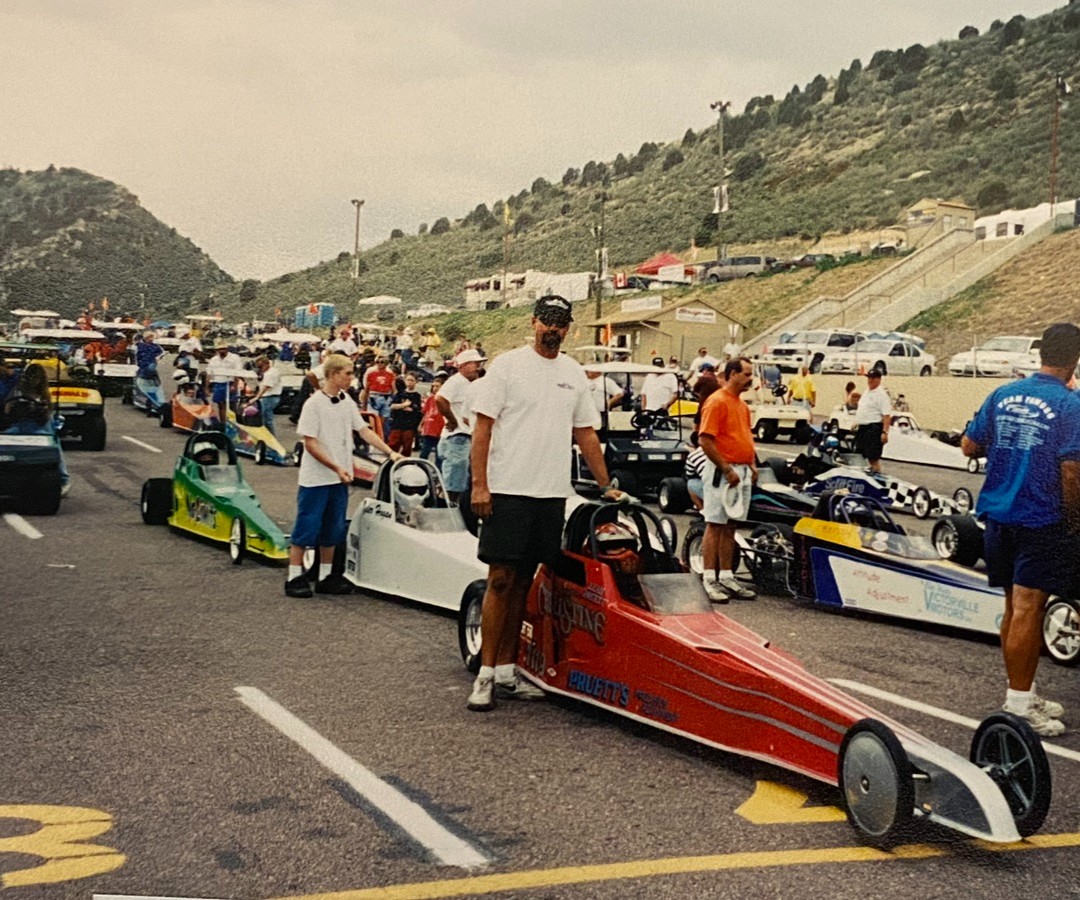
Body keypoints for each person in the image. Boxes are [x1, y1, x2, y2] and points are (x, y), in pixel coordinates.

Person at [466, 295, 623, 712]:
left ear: (568, 328)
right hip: (508, 490)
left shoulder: (573, 373)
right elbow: (482, 429)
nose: (552, 329)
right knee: (500, 580)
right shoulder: (507, 366)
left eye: (561, 323)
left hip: (551, 493)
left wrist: (607, 485)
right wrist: (480, 486)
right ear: (533, 322)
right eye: (546, 321)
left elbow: (586, 433)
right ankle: (484, 675)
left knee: (524, 581)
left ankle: (507, 670)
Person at [961, 323, 1080, 738]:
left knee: (1015, 606)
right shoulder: (1071, 404)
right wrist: (1073, 519)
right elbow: (1071, 469)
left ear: (1040, 353)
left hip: (998, 514)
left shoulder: (1003, 394)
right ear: (1074, 359)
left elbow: (969, 445)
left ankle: (1022, 693)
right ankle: (1018, 703)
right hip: (1039, 516)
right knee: (1029, 607)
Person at [286, 354, 403, 599]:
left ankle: (325, 576)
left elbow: (363, 430)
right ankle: (294, 576)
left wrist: (390, 452)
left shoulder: (346, 401)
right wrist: (336, 467)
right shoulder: (314, 404)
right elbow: (311, 443)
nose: (351, 377)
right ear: (333, 374)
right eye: (347, 373)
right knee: (307, 527)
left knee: (333, 528)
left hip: (339, 478)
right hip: (317, 478)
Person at [697, 357, 757, 601]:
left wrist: (751, 464)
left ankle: (727, 576)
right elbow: (705, 439)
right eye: (746, 374)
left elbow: (744, 436)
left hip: (740, 471)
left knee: (731, 525)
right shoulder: (717, 401)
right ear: (732, 374)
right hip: (723, 472)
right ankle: (709, 578)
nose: (750, 379)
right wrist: (726, 469)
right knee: (715, 523)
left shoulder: (741, 406)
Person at [3, 363, 71, 495]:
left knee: (54, 444)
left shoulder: (44, 394)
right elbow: (7, 409)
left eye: (35, 377)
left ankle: (63, 479)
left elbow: (47, 413)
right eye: (29, 377)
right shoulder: (16, 391)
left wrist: (38, 411)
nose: (32, 380)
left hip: (39, 428)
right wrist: (17, 411)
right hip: (18, 426)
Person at [436, 348, 485, 505]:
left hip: (464, 436)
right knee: (453, 482)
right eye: (475, 364)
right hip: (457, 437)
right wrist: (452, 421)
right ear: (463, 365)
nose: (478, 367)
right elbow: (440, 399)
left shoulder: (468, 383)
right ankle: (446, 512)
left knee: (460, 479)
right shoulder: (457, 381)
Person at [854, 367, 891, 474]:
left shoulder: (881, 395)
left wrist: (885, 432)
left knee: (873, 457)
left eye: (873, 378)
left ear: (879, 379)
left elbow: (886, 415)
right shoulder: (867, 392)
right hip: (863, 428)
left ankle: (878, 478)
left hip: (873, 428)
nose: (870, 380)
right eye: (869, 378)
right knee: (859, 455)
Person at [204, 341, 242, 426]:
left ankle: (233, 424)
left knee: (231, 404)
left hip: (230, 382)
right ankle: (223, 424)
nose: (221, 351)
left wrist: (234, 385)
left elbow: (238, 373)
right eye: (219, 349)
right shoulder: (214, 359)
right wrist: (206, 388)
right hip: (218, 383)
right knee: (221, 405)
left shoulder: (234, 358)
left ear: (227, 349)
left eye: (223, 349)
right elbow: (209, 373)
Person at [386, 372, 423, 456]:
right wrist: (404, 405)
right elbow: (392, 406)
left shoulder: (417, 396)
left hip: (409, 425)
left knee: (407, 447)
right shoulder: (399, 394)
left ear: (416, 382)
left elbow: (416, 409)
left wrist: (409, 408)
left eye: (412, 380)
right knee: (393, 445)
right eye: (408, 380)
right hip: (397, 423)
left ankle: (404, 464)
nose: (409, 382)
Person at [418, 374, 447, 463]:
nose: (434, 388)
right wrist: (421, 424)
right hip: (429, 428)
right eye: (433, 386)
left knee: (439, 455)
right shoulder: (430, 399)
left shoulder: (446, 399)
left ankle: (438, 472)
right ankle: (422, 468)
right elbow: (426, 413)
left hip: (440, 429)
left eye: (437, 386)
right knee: (424, 452)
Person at [252, 357, 283, 438]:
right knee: (263, 419)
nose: (260, 369)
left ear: (267, 364)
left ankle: (271, 438)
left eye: (261, 366)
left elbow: (266, 386)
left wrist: (257, 397)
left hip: (270, 397)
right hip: (267, 397)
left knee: (267, 420)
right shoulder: (265, 372)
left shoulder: (271, 373)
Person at [360, 355, 396, 422]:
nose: (379, 363)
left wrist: (393, 400)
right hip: (373, 397)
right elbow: (367, 389)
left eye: (382, 362)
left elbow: (394, 389)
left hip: (386, 397)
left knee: (381, 424)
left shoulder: (390, 374)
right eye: (377, 362)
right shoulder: (371, 373)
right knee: (373, 420)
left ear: (386, 363)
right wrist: (364, 406)